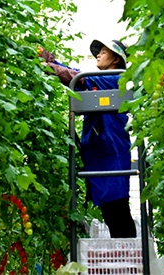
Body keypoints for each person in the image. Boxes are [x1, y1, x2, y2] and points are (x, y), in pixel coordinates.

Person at [40, 38, 137, 238]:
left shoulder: (115, 78)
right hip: (102, 154)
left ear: (116, 59)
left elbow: (76, 77)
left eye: (104, 52)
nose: (98, 55)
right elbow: (74, 74)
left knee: (117, 210)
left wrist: (48, 67)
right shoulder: (98, 80)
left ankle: (131, 252)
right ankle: (126, 251)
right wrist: (48, 58)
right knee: (111, 212)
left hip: (111, 154)